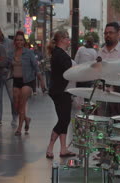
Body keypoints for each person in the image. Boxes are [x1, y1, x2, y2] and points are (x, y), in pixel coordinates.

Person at [45, 30, 76, 159]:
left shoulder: (58, 53)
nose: (69, 40)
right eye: (67, 38)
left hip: (62, 90)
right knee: (64, 119)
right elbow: (69, 70)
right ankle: (50, 147)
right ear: (62, 39)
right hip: (61, 91)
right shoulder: (60, 54)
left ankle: (63, 149)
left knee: (64, 119)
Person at [8, 31, 45, 136]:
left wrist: (42, 81)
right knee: (16, 105)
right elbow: (7, 66)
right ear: (14, 42)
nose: (19, 42)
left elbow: (36, 67)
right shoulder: (11, 53)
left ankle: (19, 128)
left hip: (28, 81)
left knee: (22, 104)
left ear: (24, 41)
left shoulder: (29, 53)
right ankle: (27, 119)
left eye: (21, 40)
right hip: (16, 81)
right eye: (17, 40)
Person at [0, 26, 17, 127]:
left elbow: (14, 55)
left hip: (8, 73)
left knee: (12, 97)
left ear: (0, 32)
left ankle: (14, 116)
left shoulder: (10, 43)